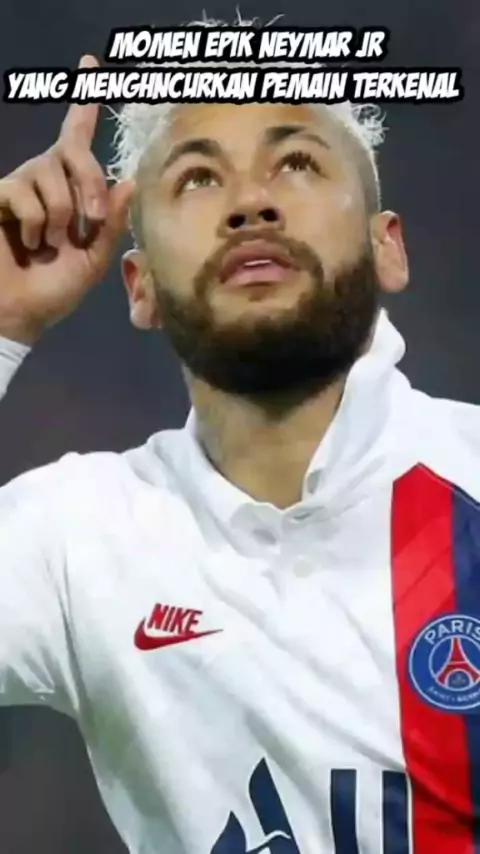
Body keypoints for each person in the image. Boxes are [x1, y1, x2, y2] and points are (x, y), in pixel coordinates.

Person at [0, 20, 478, 854]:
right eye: (197, 177)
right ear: (140, 287)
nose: (252, 202)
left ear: (387, 247)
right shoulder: (82, 538)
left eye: (297, 163)